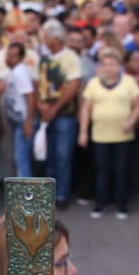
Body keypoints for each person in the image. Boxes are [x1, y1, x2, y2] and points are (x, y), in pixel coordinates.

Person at [79, 47, 139, 220]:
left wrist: (131, 121)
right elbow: (86, 108)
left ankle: (121, 205)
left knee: (121, 170)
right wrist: (83, 132)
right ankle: (100, 203)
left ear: (119, 66)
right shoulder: (93, 83)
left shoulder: (129, 82)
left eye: (113, 64)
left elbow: (137, 105)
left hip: (122, 135)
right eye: (105, 64)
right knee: (102, 170)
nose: (109, 68)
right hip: (100, 134)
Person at [38, 20, 84, 209]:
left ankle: (62, 194)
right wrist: (41, 107)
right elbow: (37, 82)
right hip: (46, 115)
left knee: (63, 156)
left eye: (46, 35)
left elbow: (73, 86)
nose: (43, 38)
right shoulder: (44, 57)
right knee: (49, 155)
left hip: (65, 114)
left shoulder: (71, 57)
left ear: (55, 38)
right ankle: (50, 193)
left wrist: (54, 108)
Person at [3, 42, 37, 177]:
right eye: (8, 55)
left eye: (13, 56)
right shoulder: (15, 71)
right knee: (21, 158)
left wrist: (28, 122)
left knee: (21, 160)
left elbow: (30, 95)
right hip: (19, 120)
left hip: (23, 120)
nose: (9, 59)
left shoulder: (19, 72)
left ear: (21, 58)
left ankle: (25, 197)